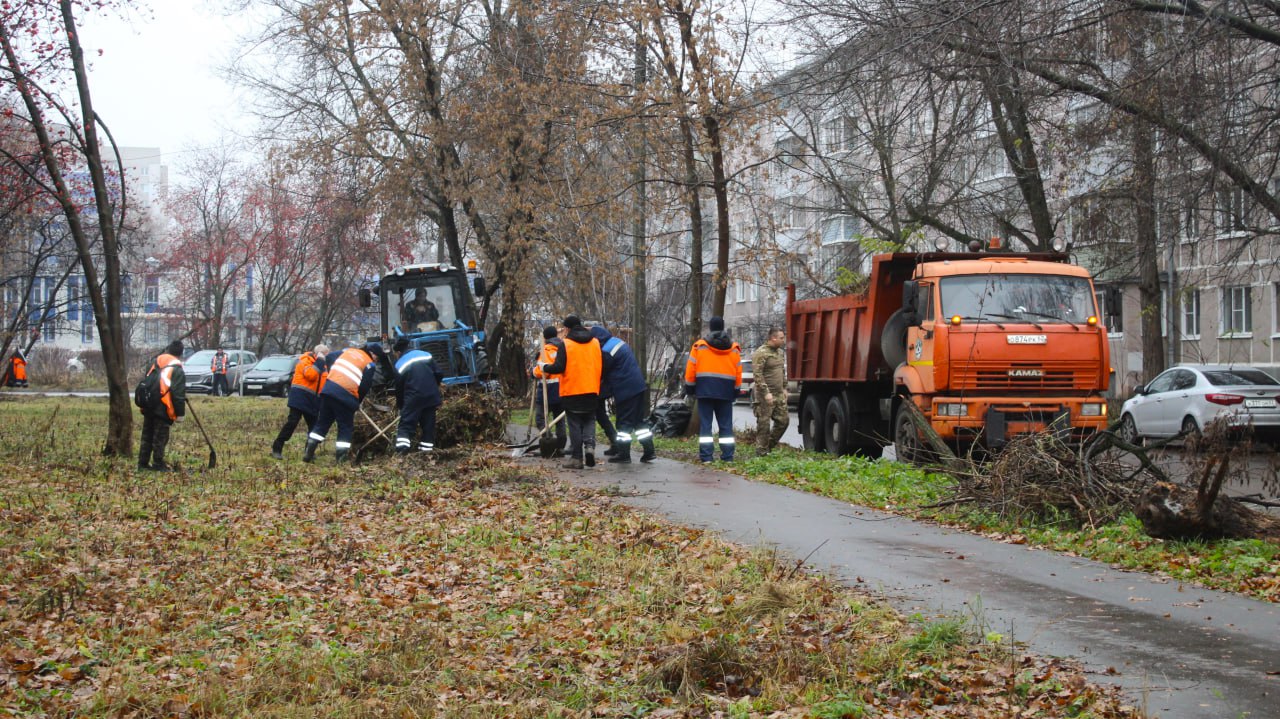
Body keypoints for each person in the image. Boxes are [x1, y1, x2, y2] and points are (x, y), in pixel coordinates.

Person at [539, 315, 601, 469]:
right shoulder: (595, 342)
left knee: (574, 424)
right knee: (589, 420)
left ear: (567, 328)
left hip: (572, 391)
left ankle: (577, 458)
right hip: (592, 389)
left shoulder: (566, 344)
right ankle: (590, 447)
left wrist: (544, 367)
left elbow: (559, 367)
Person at [304, 343, 382, 463]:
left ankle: (309, 452)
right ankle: (341, 458)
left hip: (328, 390)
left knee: (322, 423)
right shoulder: (369, 364)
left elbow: (329, 358)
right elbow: (365, 386)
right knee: (345, 427)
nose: (376, 360)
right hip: (345, 396)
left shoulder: (348, 352)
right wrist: (357, 401)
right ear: (372, 353)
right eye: (377, 357)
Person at [590, 325, 655, 463]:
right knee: (638, 422)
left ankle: (624, 454)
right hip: (638, 386)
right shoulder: (616, 342)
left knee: (623, 423)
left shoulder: (606, 352)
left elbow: (602, 373)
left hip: (625, 389)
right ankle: (649, 451)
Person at [684, 316, 742, 463]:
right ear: (723, 328)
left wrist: (690, 389)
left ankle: (706, 457)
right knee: (726, 426)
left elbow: (691, 370)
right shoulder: (734, 348)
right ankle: (727, 457)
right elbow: (738, 373)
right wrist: (736, 391)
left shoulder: (700, 346)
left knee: (706, 426)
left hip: (705, 391)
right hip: (726, 392)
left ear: (710, 328)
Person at [271, 344, 330, 459]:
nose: (326, 357)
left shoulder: (322, 365)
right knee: (292, 423)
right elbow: (311, 375)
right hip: (299, 398)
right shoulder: (305, 361)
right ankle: (277, 448)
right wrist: (320, 361)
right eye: (325, 354)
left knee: (313, 428)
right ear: (319, 354)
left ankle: (309, 452)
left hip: (313, 401)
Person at [138, 340, 187, 472]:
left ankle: (142, 463)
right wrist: (180, 414)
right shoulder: (176, 368)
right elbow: (177, 394)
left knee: (147, 435)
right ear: (180, 354)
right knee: (160, 437)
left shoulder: (154, 362)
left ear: (169, 350)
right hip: (164, 407)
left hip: (148, 404)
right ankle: (158, 464)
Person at [392, 337, 445, 454]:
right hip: (431, 396)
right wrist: (434, 386)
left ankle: (402, 451)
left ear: (399, 352)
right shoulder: (426, 354)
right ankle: (426, 453)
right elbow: (439, 373)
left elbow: (399, 389)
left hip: (413, 398)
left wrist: (401, 405)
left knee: (406, 425)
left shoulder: (399, 364)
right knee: (428, 425)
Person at [751, 327, 789, 455]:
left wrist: (784, 388)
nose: (783, 340)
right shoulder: (761, 353)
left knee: (783, 421)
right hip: (764, 396)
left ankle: (769, 447)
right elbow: (757, 374)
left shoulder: (779, 353)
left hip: (778, 394)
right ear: (773, 338)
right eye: (781, 338)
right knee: (764, 425)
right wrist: (766, 392)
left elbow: (782, 371)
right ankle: (761, 452)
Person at [531, 325, 567, 455]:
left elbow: (541, 371)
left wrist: (532, 372)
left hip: (547, 389)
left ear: (545, 338)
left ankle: (549, 440)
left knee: (541, 418)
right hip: (562, 389)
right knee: (560, 419)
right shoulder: (563, 348)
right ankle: (561, 445)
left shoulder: (545, 350)